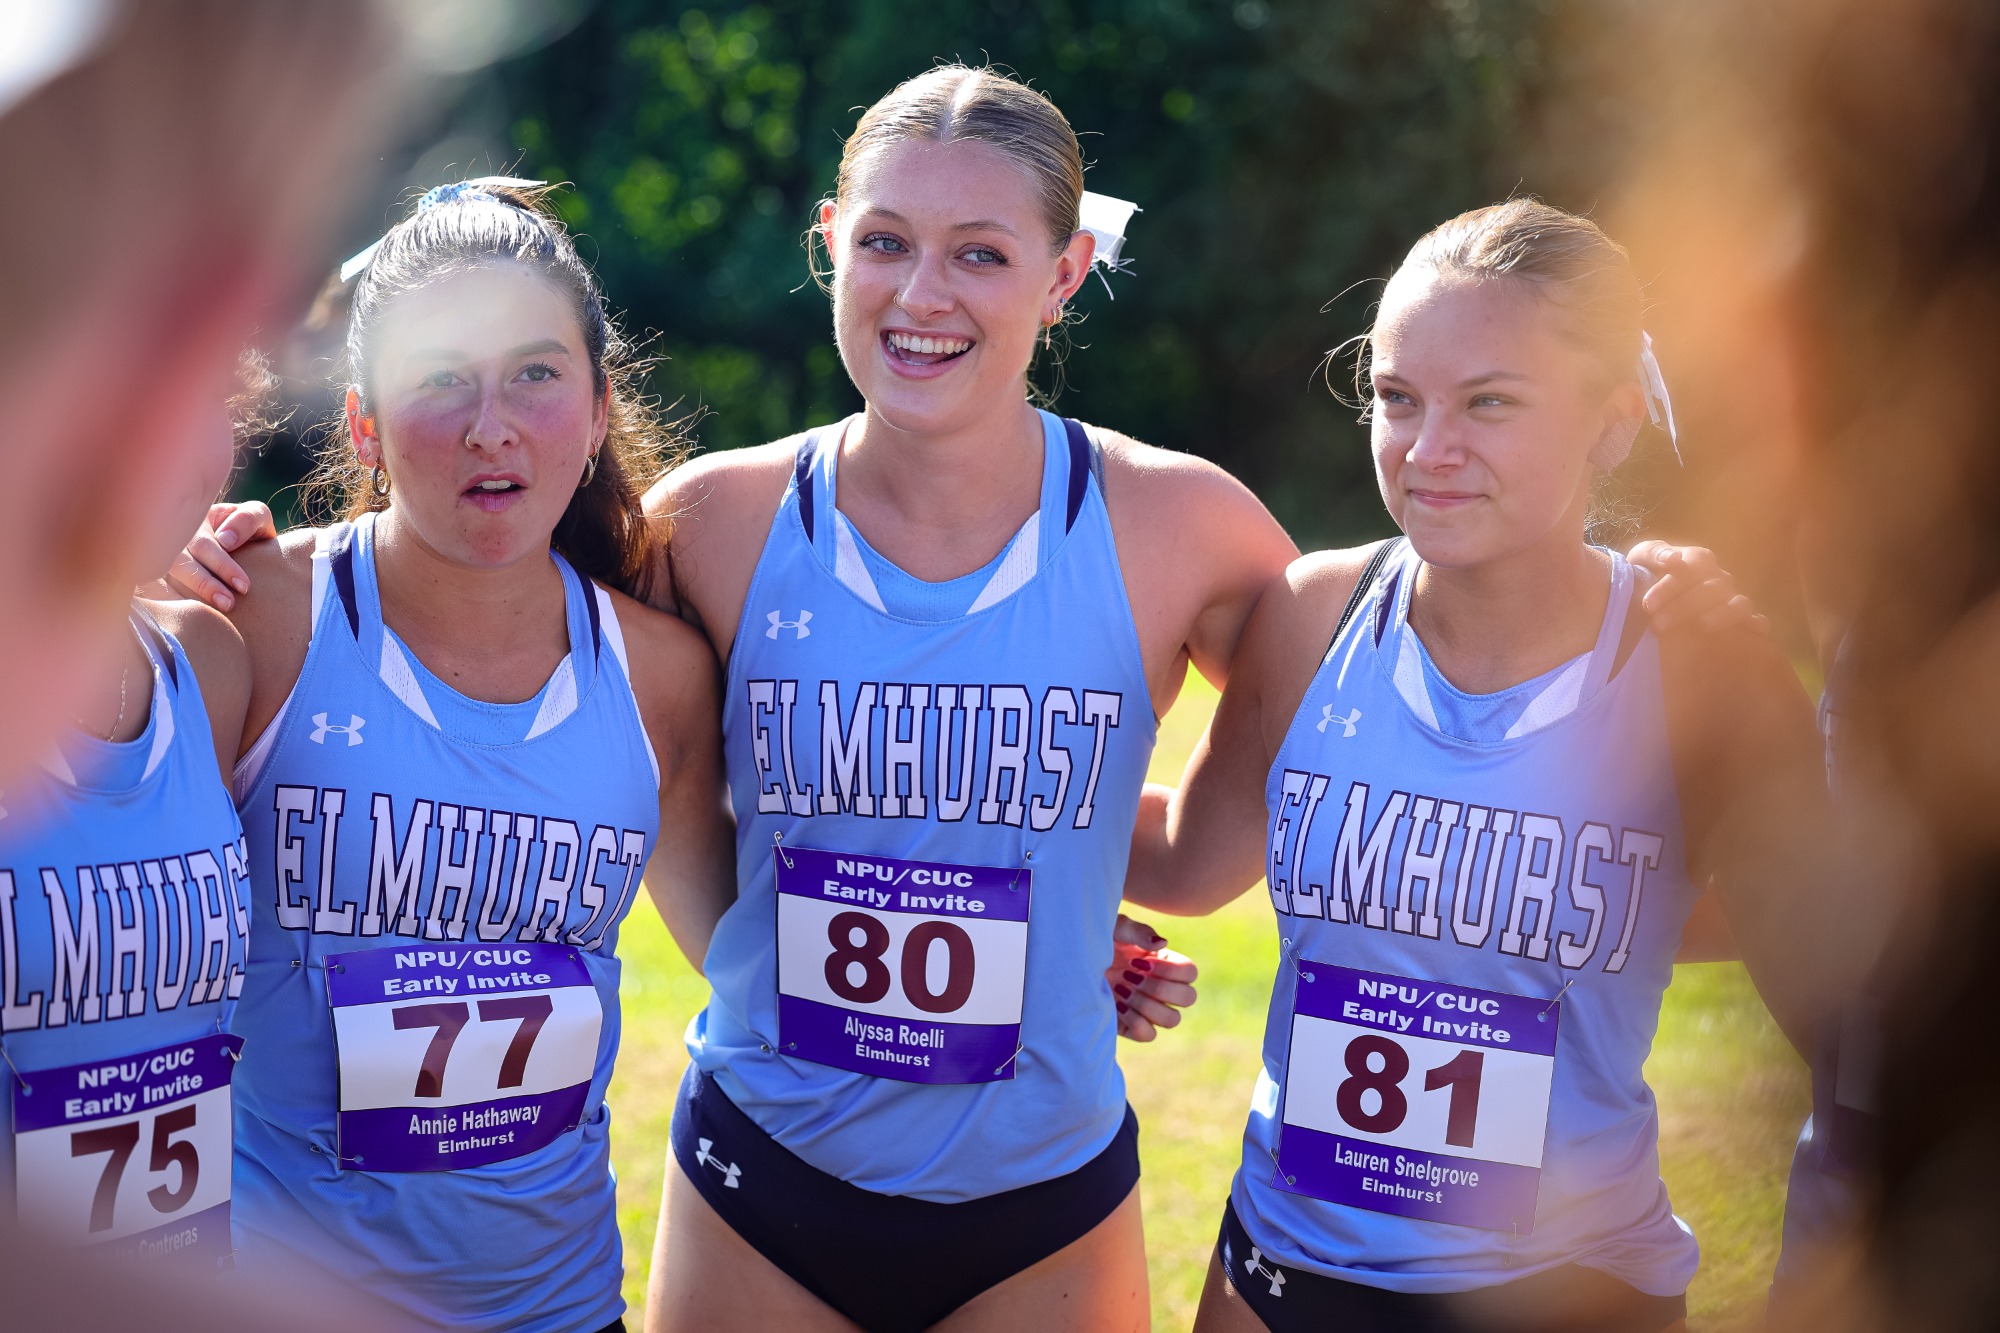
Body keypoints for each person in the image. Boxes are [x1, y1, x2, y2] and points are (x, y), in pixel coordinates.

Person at [179, 70, 1757, 1333]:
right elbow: (522, 662)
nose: (922, 293)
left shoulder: (1190, 531)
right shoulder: (711, 526)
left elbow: (1264, 818)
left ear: (1067, 272)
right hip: (762, 1179)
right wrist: (192, 562)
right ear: (829, 245)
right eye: (884, 242)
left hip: (1044, 1208)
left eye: (982, 253)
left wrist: (1058, 907)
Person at [1120, 199, 1828, 1333]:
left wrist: (1775, 737)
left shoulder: (1679, 657)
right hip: (1286, 1266)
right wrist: (991, 858)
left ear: (1609, 423)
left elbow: (1809, 943)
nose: (1426, 448)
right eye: (1398, 398)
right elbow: (1185, 857)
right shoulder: (1312, 614)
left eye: (1488, 403)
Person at [212, 179, 731, 1332]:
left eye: (534, 373)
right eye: (440, 377)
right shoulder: (259, 621)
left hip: (560, 1307)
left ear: (596, 410)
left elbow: (753, 961)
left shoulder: (658, 677)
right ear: (364, 425)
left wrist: (1055, 952)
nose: (490, 426)